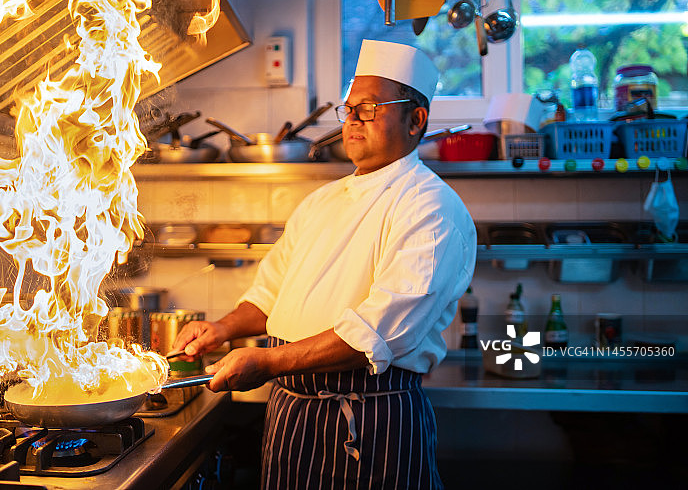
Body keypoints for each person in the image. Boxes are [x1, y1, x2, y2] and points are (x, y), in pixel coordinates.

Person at [173, 39, 476, 489]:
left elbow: (372, 335)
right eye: (349, 109)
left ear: (416, 120)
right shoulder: (321, 201)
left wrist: (268, 362)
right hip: (292, 412)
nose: (352, 120)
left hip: (371, 422)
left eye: (370, 108)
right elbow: (269, 294)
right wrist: (222, 328)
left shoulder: (431, 209)